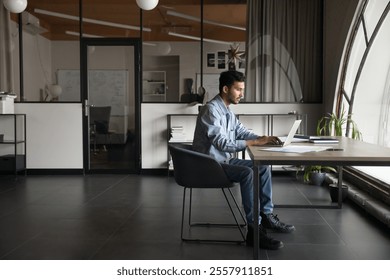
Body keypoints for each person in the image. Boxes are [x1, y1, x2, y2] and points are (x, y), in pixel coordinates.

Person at [192, 70, 295, 250]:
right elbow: (222, 143)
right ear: (225, 89)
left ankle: (266, 216)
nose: (242, 94)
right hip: (209, 166)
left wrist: (264, 137)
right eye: (238, 89)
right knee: (247, 173)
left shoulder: (228, 112)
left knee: (262, 167)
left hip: (223, 162)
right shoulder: (211, 110)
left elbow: (241, 132)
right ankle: (254, 230)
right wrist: (255, 142)